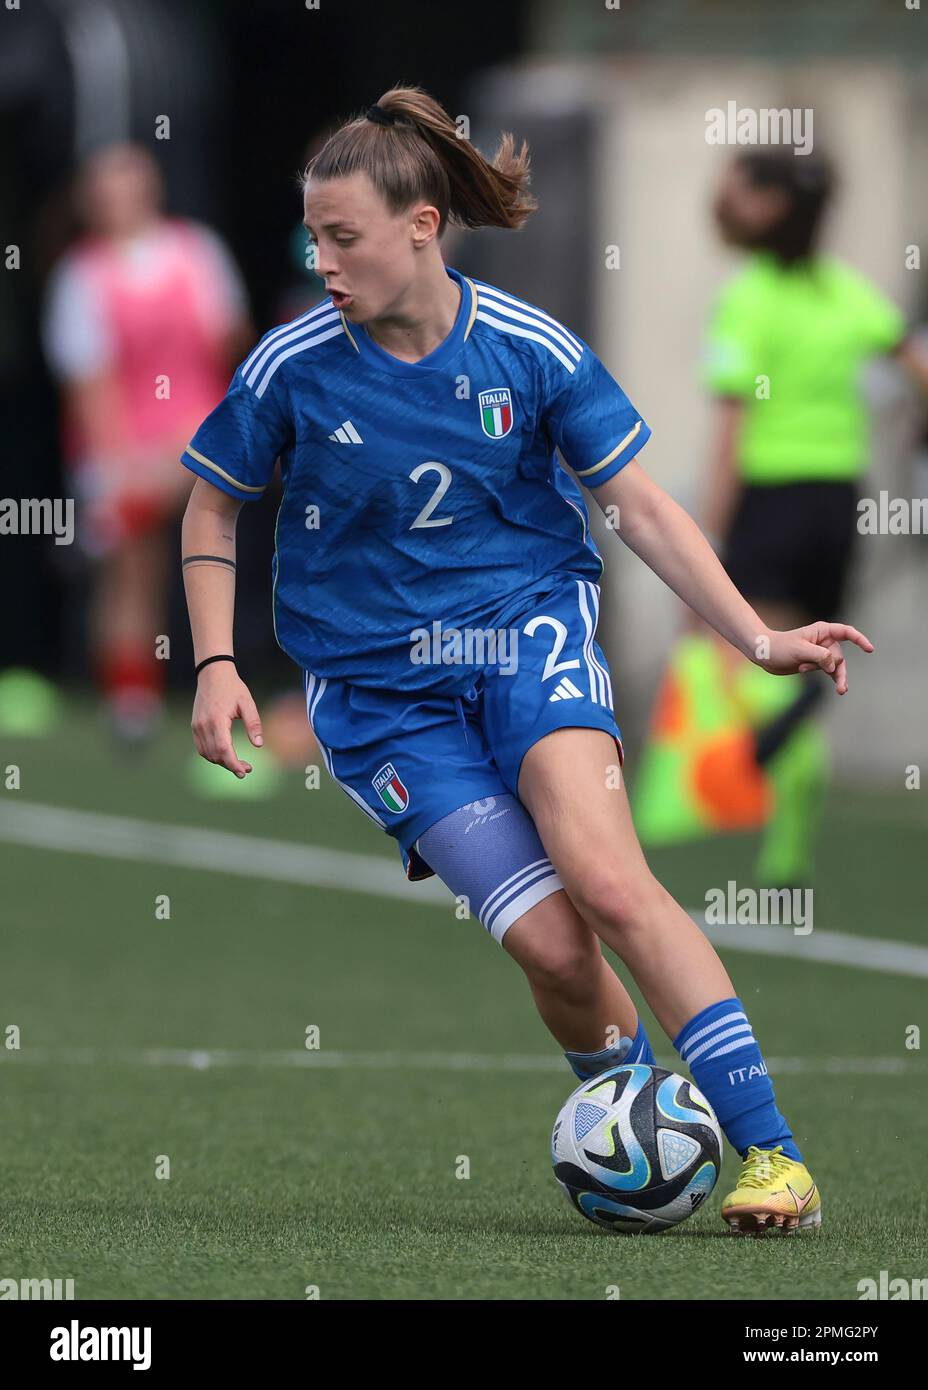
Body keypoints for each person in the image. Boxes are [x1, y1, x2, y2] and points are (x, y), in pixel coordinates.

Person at [180, 88, 875, 1234]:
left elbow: (638, 507)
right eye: (313, 236)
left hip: (526, 637)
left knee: (605, 881)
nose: (322, 259)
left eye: (342, 236)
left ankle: (772, 1156)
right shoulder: (291, 365)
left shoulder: (529, 349)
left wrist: (752, 633)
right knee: (553, 948)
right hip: (379, 700)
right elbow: (210, 513)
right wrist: (214, 662)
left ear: (421, 227)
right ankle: (646, 1118)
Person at [703, 148, 928, 885]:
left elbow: (731, 433)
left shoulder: (750, 296)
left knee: (767, 659)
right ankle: (788, 846)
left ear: (770, 206)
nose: (721, 203)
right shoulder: (846, 292)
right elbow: (915, 364)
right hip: (838, 502)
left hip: (771, 502)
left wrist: (709, 531)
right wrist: (913, 429)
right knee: (814, 658)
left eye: (735, 191)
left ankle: (765, 773)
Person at [42, 142, 252, 740]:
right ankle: (133, 701)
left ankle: (111, 522)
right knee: (134, 568)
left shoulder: (197, 251)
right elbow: (92, 384)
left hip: (199, 429)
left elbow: (228, 343)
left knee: (192, 474)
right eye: (104, 190)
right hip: (121, 444)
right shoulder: (79, 276)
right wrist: (117, 466)